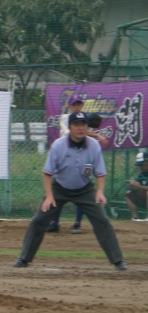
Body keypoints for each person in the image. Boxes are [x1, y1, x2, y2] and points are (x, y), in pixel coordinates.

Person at [13, 111, 126, 271]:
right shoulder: (58, 145)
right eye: (76, 125)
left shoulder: (93, 145)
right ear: (70, 127)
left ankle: (118, 260)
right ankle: (24, 258)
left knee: (102, 220)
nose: (80, 128)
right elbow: (47, 173)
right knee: (38, 220)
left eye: (83, 125)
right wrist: (49, 196)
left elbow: (100, 173)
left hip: (85, 189)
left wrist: (100, 192)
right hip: (59, 188)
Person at [47, 97, 108, 234]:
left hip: (82, 155)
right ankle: (55, 222)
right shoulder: (65, 118)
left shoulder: (84, 120)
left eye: (79, 104)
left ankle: (77, 223)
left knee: (83, 188)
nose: (76, 106)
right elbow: (72, 133)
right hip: (65, 156)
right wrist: (98, 135)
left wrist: (90, 129)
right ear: (69, 106)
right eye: (74, 104)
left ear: (82, 106)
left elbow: (84, 134)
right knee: (59, 189)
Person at [124, 152, 148, 222]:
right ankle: (135, 218)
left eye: (142, 164)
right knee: (128, 194)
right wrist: (132, 186)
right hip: (145, 198)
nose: (140, 167)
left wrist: (140, 187)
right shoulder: (142, 173)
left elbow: (140, 187)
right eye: (139, 165)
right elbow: (138, 185)